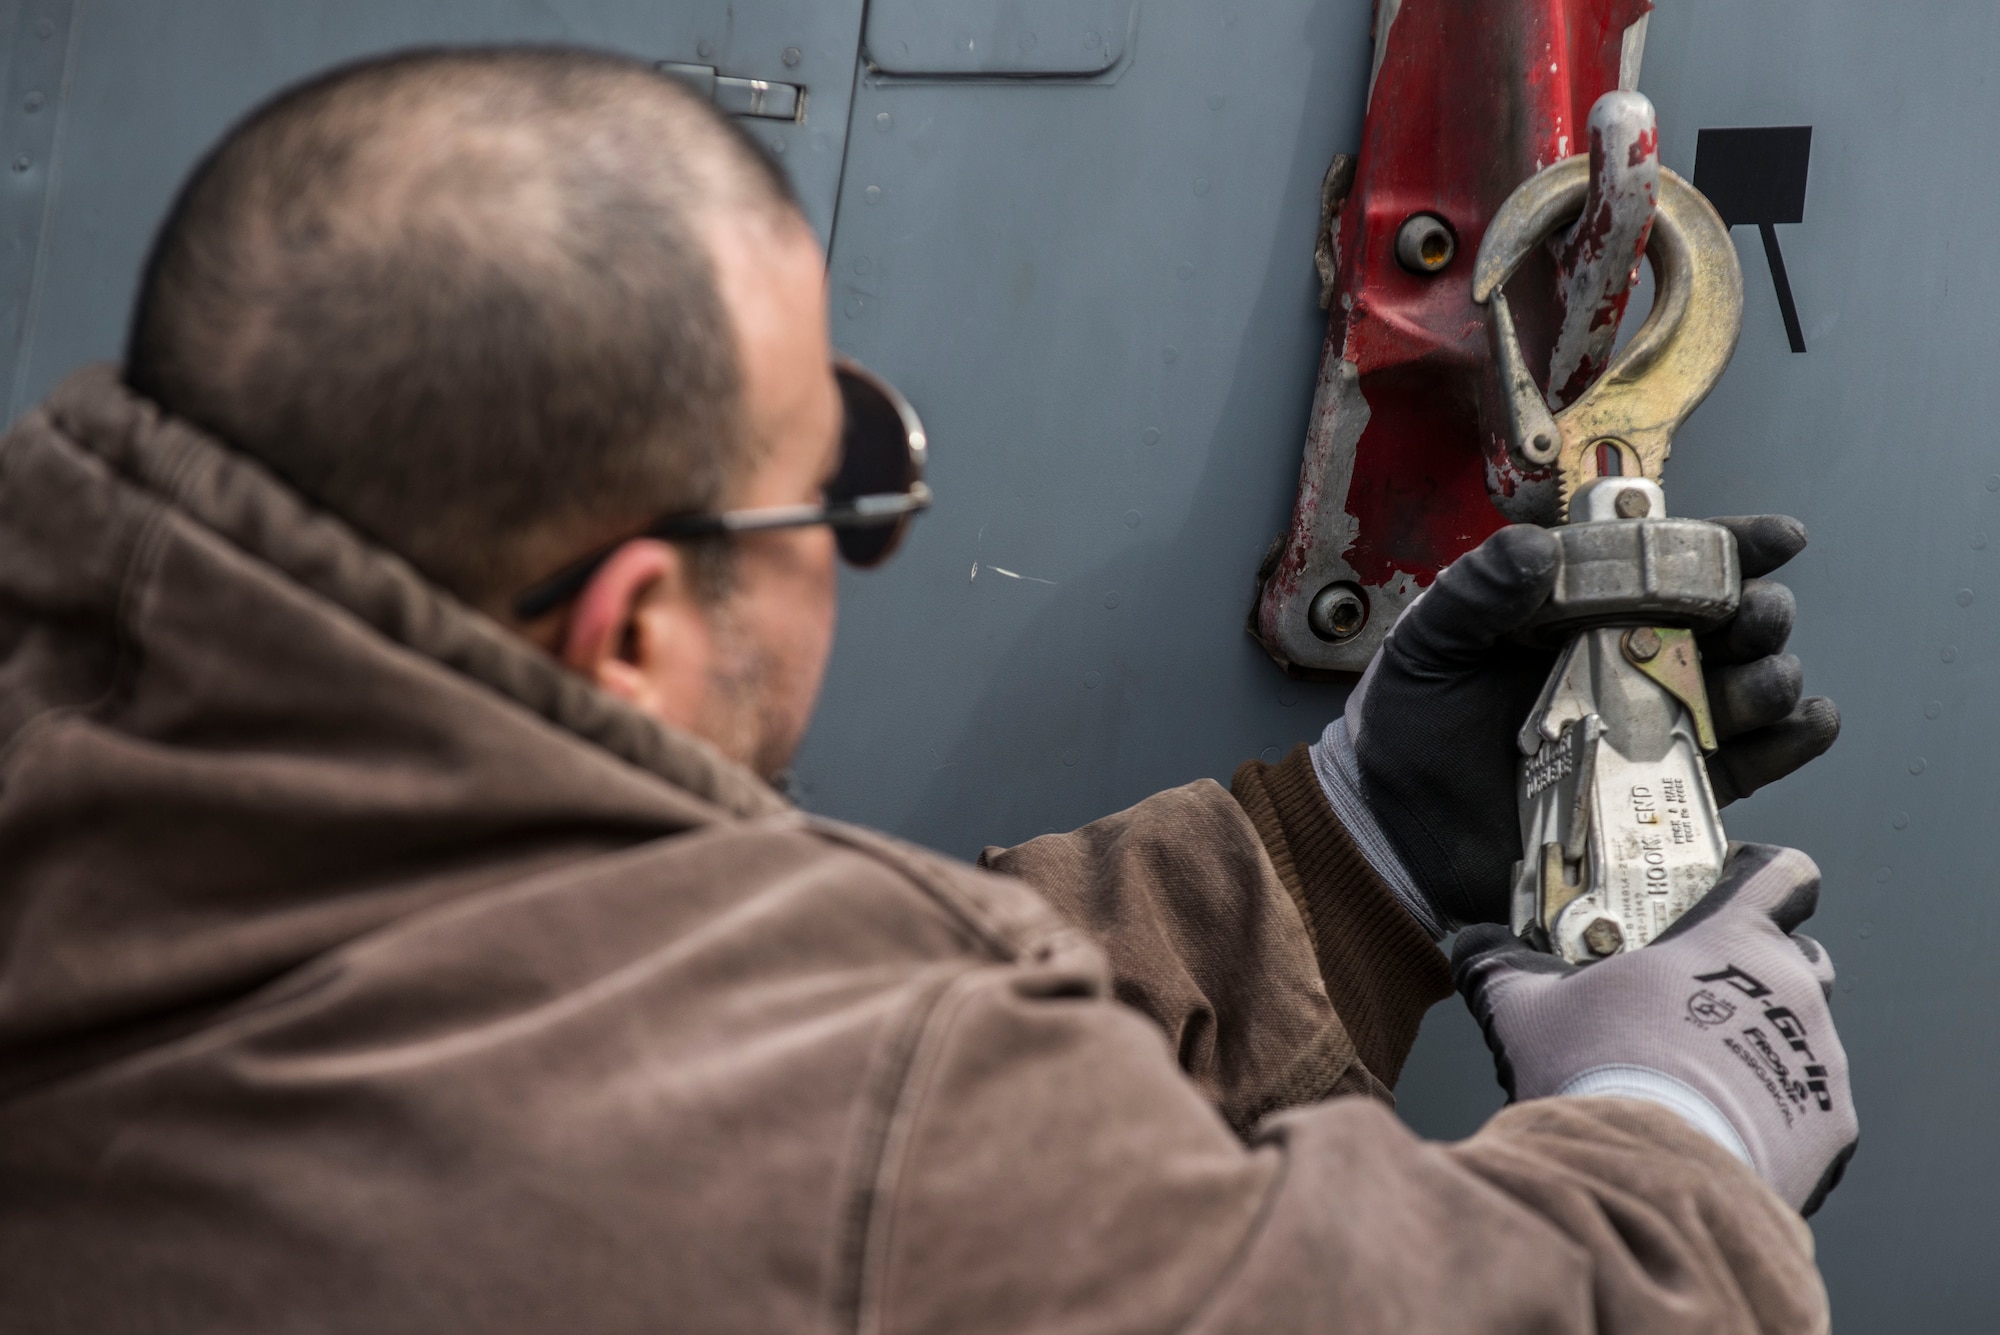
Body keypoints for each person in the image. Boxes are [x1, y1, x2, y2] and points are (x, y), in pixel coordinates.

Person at [0, 47, 1854, 1332]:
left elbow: (715, 1034)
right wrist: (1680, 1140)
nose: (864, 518)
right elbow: (868, 1151)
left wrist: (1338, 854)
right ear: (634, 626)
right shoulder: (800, 1165)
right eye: (849, 480)